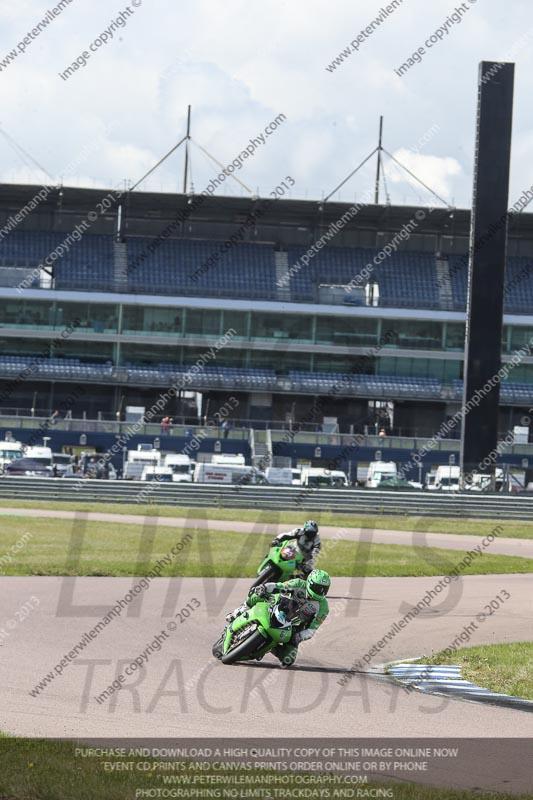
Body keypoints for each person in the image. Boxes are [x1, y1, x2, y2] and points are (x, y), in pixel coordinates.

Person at [225, 569, 331, 667]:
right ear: (310, 583)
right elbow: (279, 586)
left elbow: (312, 630)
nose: (320, 592)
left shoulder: (324, 608)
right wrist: (265, 587)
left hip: (294, 627)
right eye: (318, 588)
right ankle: (240, 611)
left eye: (324, 590)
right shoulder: (298, 583)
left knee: (288, 659)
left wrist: (298, 636)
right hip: (280, 606)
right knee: (257, 592)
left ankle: (270, 647)